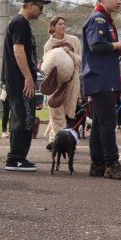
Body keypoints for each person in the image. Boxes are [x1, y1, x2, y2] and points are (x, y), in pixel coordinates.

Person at [82, 0, 121, 180]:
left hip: (102, 76)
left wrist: (117, 48)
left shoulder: (104, 19)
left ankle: (97, 164)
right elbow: (96, 46)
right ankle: (111, 163)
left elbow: (102, 48)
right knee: (107, 122)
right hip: (101, 77)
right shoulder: (98, 19)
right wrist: (117, 44)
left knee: (98, 123)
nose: (119, 1)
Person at [3, 0, 49, 171]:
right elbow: (18, 51)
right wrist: (28, 78)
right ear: (29, 5)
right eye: (40, 6)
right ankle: (16, 158)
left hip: (18, 77)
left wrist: (34, 68)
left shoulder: (19, 23)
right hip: (19, 78)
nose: (42, 11)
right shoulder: (20, 22)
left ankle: (16, 157)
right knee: (26, 117)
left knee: (21, 117)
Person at [42, 16, 81, 149]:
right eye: (59, 24)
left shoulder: (74, 40)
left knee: (67, 113)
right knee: (55, 110)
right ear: (53, 27)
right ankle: (59, 142)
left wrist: (69, 53)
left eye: (64, 24)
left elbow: (79, 61)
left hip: (71, 81)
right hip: (54, 83)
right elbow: (46, 65)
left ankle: (55, 138)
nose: (63, 26)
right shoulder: (48, 45)